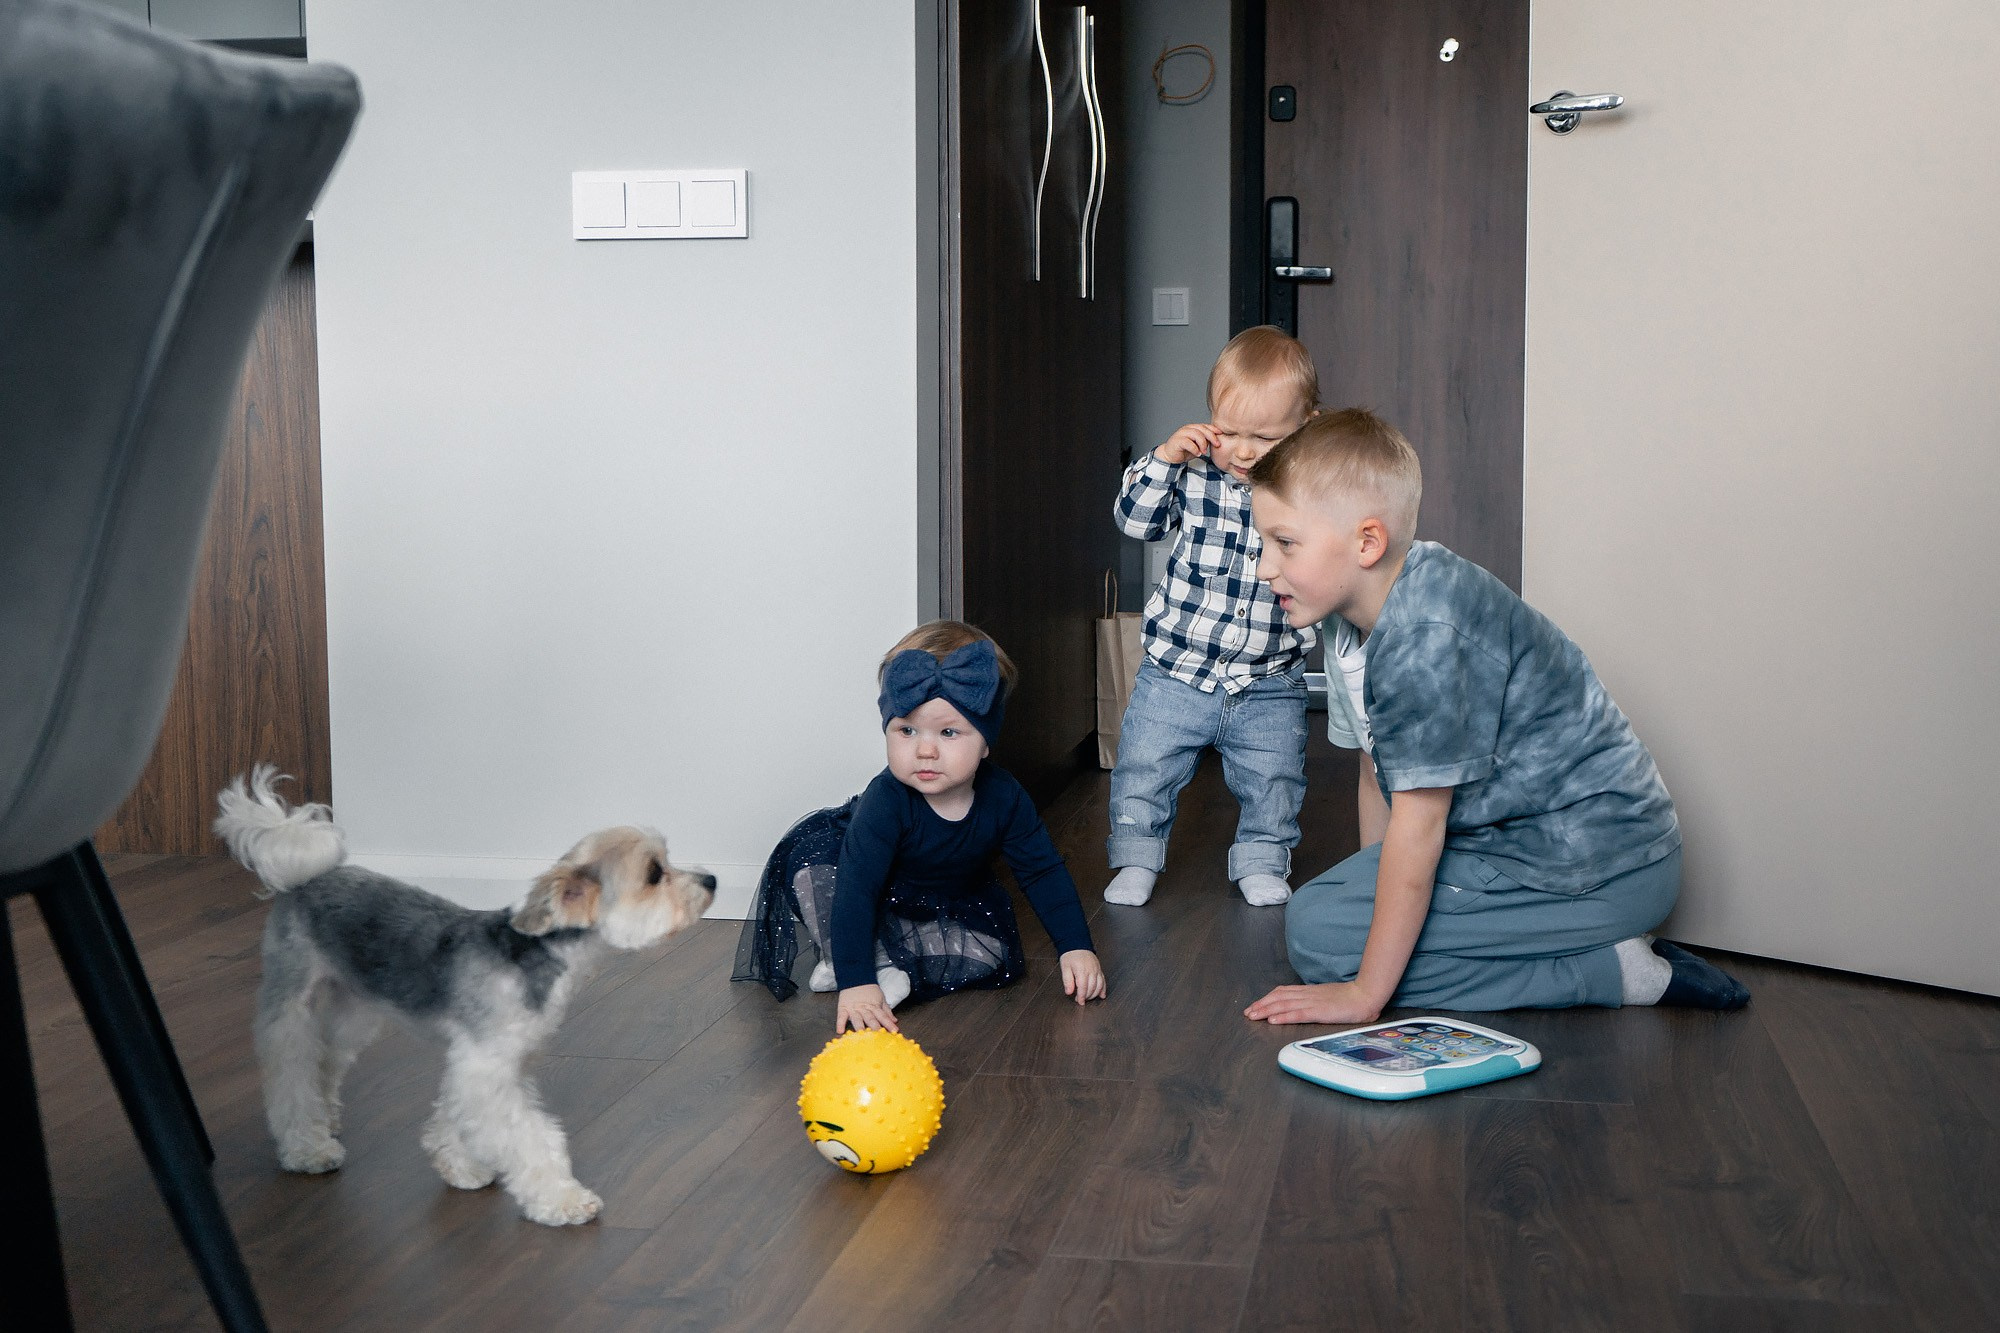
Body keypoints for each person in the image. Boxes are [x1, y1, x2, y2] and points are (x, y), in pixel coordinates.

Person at [1240, 409, 1749, 1022]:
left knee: (1323, 938)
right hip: (1505, 848)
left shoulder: (1427, 634)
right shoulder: (1352, 618)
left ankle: (1610, 972)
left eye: (1285, 543)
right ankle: (1563, 953)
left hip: (1600, 871)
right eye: (1264, 542)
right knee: (1331, 921)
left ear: (1367, 542)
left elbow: (1420, 828)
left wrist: (1364, 992)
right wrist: (1372, 891)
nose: (1265, 566)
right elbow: (1378, 770)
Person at [732, 621, 1107, 1033]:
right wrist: (857, 985)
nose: (925, 750)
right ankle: (850, 963)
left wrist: (1075, 947)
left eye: (948, 732)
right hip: (864, 882)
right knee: (814, 873)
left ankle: (887, 958)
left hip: (938, 900)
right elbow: (858, 890)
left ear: (985, 742)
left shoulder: (1004, 797)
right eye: (907, 730)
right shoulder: (886, 801)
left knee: (993, 956)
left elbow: (1042, 871)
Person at [1106, 326, 1321, 909]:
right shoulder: (1191, 476)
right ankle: (1135, 856)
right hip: (1177, 669)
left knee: (1274, 780)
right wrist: (1163, 459)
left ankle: (1261, 858)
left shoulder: (1309, 491)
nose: (1244, 451)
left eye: (1266, 437)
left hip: (1268, 677)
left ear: (1306, 428)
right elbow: (1134, 522)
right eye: (1229, 433)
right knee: (1144, 768)